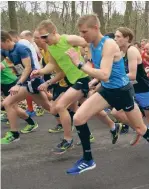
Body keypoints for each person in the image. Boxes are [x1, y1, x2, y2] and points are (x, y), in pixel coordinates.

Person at [65, 14, 149, 176]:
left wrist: (79, 63)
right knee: (78, 118)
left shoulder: (109, 45)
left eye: (84, 32)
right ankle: (87, 159)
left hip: (122, 92)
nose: (82, 36)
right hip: (107, 90)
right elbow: (67, 39)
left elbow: (105, 74)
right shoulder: (90, 41)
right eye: (80, 32)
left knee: (140, 128)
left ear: (95, 28)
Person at [33, 20, 118, 153]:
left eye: (45, 36)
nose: (43, 40)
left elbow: (87, 42)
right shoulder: (51, 48)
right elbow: (53, 65)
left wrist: (89, 60)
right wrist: (41, 71)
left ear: (54, 32)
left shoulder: (68, 39)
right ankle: (113, 126)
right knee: (92, 109)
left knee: (61, 106)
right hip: (72, 81)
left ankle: (68, 140)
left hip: (82, 78)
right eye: (41, 37)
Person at [0, 30, 52, 144]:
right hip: (24, 83)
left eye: (0, 43)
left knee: (48, 106)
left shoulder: (21, 48)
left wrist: (18, 84)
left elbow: (28, 68)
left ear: (7, 40)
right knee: (8, 103)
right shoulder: (4, 50)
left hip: (33, 80)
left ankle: (68, 118)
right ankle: (14, 133)